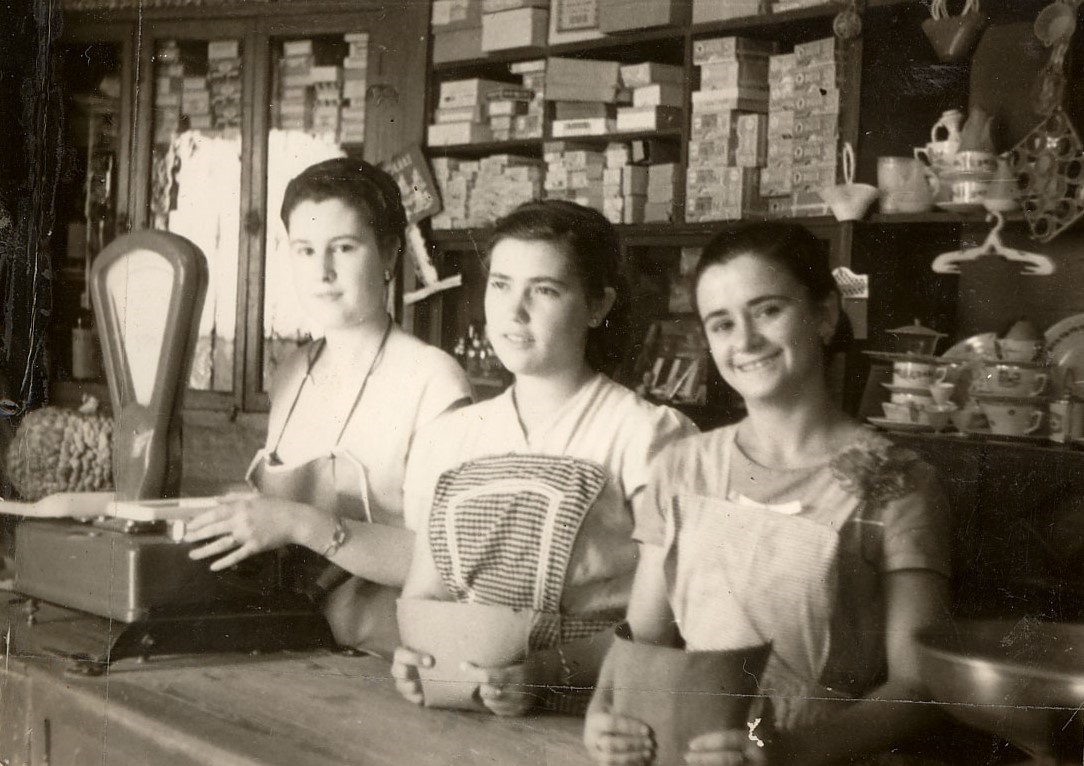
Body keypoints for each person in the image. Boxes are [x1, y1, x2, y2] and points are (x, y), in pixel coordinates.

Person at [585, 222, 953, 765]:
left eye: (768, 310)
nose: (746, 341)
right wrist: (604, 710)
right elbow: (642, 637)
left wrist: (795, 751)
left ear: (825, 315)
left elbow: (919, 689)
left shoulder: (897, 482)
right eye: (722, 323)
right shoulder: (681, 467)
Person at [391, 200, 697, 716]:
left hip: (602, 713)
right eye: (501, 284)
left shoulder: (648, 435)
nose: (515, 311)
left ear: (598, 306)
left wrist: (543, 673)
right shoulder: (447, 438)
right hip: (469, 709)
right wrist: (419, 659)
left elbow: (661, 622)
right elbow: (426, 596)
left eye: (545, 290)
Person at [183, 158, 471, 656]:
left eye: (344, 247)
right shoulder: (292, 371)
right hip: (291, 645)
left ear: (388, 254)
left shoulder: (432, 379)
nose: (323, 271)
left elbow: (445, 563)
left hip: (387, 657)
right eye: (305, 250)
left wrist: (298, 523)